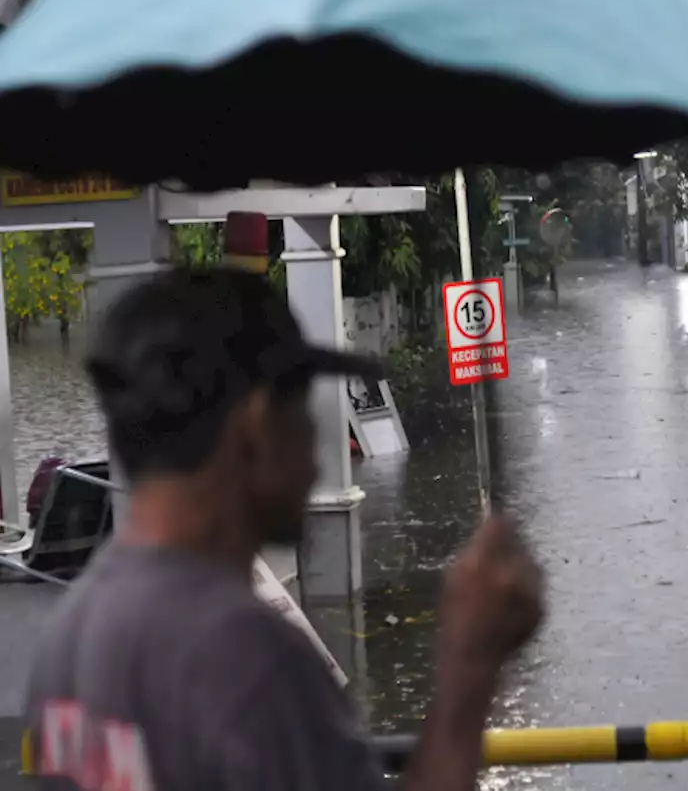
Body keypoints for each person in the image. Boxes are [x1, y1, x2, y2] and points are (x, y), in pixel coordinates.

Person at [24, 266, 543, 791]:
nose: (317, 464)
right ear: (256, 425)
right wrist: (469, 669)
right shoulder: (252, 663)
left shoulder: (67, 638)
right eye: (301, 415)